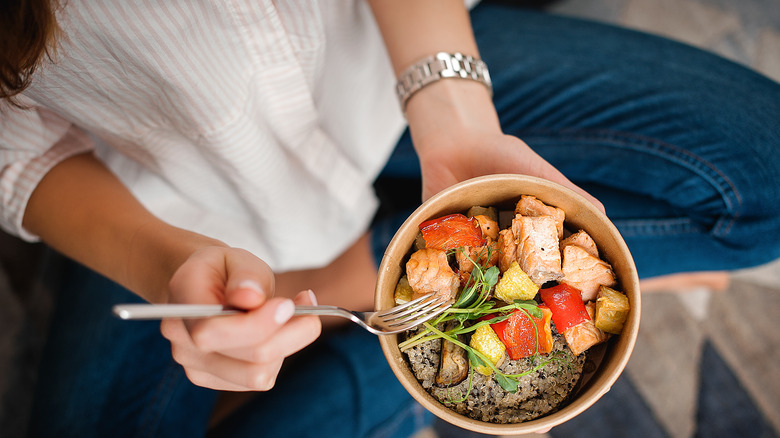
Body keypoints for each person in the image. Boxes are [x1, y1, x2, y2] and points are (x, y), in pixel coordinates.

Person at [1, 0, 779, 437]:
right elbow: (17, 156)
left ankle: (365, 293)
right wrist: (163, 263)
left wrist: (460, 119)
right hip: (175, 199)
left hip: (397, 71)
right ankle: (402, 339)